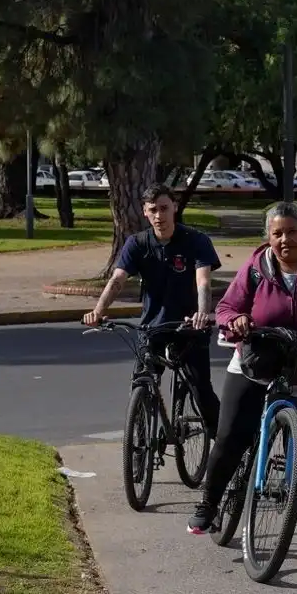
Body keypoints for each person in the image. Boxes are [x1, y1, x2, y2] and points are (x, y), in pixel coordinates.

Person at [187, 202, 297, 563]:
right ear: (268, 237)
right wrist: (236, 320)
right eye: (277, 233)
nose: (285, 239)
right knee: (230, 437)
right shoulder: (255, 268)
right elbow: (225, 308)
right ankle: (209, 503)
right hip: (254, 366)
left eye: (292, 231)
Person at [83, 185, 222, 435]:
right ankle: (138, 447)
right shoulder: (137, 243)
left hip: (190, 327)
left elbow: (203, 281)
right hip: (153, 327)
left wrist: (202, 313)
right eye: (153, 210)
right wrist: (98, 310)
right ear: (145, 213)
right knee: (141, 383)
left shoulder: (196, 240)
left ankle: (223, 444)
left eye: (164, 208)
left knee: (201, 390)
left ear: (175, 208)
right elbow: (117, 280)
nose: (159, 215)